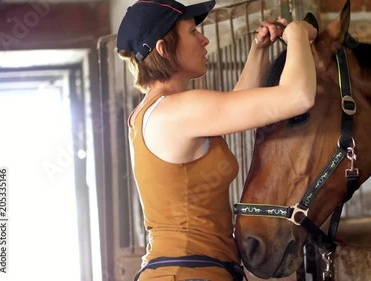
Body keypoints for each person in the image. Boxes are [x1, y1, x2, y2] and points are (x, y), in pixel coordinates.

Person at [116, 0, 317, 280]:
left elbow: (234, 106)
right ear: (163, 48)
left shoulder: (153, 112)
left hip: (183, 270)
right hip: (188, 271)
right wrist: (297, 34)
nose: (204, 39)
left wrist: (258, 51)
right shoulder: (178, 111)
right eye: (192, 33)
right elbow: (300, 96)